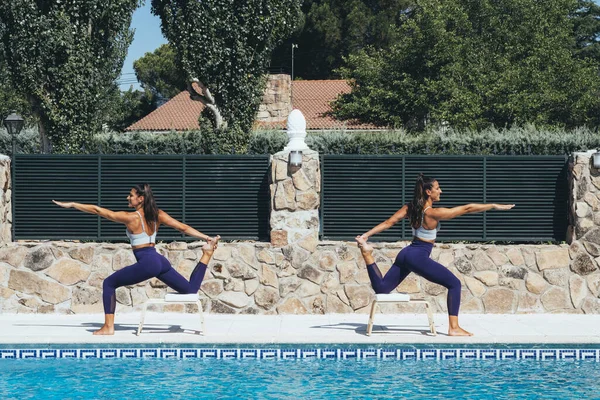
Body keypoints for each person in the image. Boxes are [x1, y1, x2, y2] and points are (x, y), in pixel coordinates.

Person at [355, 174, 514, 336]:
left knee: (381, 289)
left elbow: (388, 222)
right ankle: (454, 328)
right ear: (428, 192)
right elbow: (467, 209)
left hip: (406, 254)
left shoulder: (410, 208)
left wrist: (366, 235)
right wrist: (493, 205)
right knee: (454, 284)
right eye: (437, 188)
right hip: (418, 256)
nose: (441, 191)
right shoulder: (433, 213)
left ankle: (368, 254)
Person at [53, 183, 220, 335]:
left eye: (131, 195)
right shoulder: (158, 215)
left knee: (109, 283)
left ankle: (108, 327)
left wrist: (73, 204)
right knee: (190, 290)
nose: (128, 197)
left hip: (148, 262)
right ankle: (206, 255)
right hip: (159, 260)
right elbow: (182, 227)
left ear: (140, 199)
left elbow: (98, 210)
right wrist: (207, 238)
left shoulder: (131, 217)